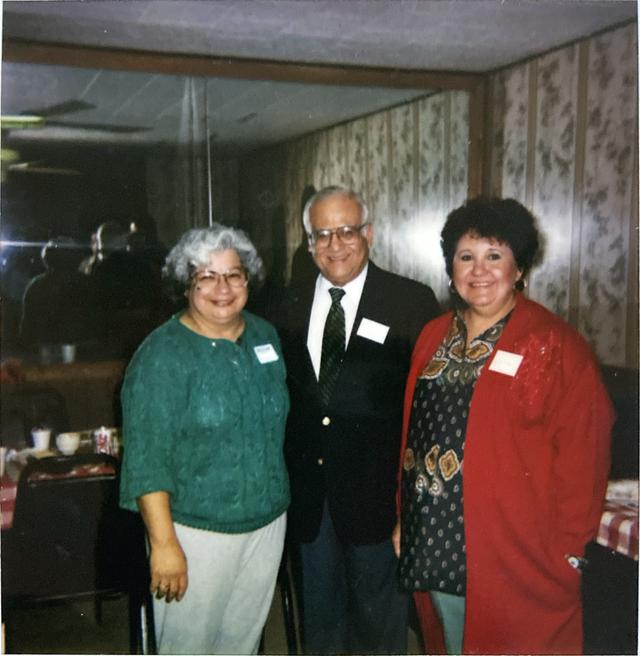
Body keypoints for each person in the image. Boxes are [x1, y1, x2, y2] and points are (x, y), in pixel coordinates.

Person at [393, 196, 614, 655]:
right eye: (466, 257)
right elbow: (413, 436)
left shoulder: (555, 345)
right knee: (452, 643)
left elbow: (584, 456)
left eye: (495, 256)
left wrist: (569, 552)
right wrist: (404, 518)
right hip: (436, 536)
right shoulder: (433, 336)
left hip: (517, 553)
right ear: (450, 267)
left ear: (519, 267)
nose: (479, 270)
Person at [278, 185, 440, 654]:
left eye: (346, 231)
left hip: (378, 500)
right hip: (309, 501)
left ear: (368, 233)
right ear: (308, 243)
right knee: (321, 626)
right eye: (322, 234)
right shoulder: (284, 304)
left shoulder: (410, 301)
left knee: (380, 627)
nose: (334, 245)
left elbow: (426, 409)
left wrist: (413, 505)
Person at [119, 224, 290, 655]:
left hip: (266, 524)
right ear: (186, 283)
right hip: (195, 531)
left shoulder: (264, 336)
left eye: (234, 274)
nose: (223, 288)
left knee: (244, 643)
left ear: (248, 279)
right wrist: (164, 545)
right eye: (206, 276)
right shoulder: (162, 355)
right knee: (189, 646)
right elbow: (146, 459)